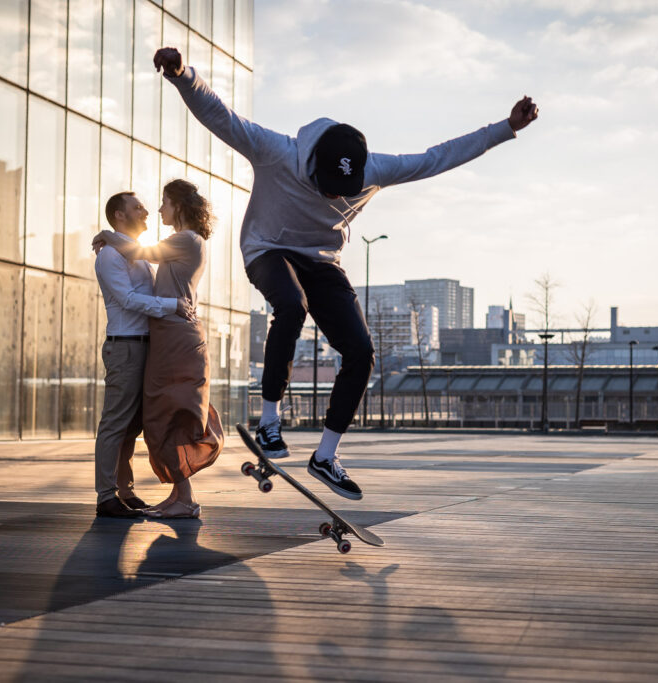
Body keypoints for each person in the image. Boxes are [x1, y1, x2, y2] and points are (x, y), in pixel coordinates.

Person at [152, 46, 539, 501]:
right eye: (324, 189)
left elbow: (440, 156)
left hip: (321, 260)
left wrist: (506, 127)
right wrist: (182, 75)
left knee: (361, 351)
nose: (332, 198)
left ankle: (326, 455)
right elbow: (222, 116)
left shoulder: (377, 170)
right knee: (291, 306)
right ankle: (271, 421)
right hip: (267, 250)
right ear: (311, 165)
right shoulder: (276, 150)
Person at [92, 179, 224, 519]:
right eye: (141, 207)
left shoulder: (182, 241)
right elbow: (129, 298)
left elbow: (143, 256)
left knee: (161, 416)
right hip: (140, 343)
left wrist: (108, 234)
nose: (153, 209)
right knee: (138, 420)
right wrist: (109, 238)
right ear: (120, 215)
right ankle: (113, 495)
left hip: (167, 340)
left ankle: (171, 495)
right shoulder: (113, 255)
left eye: (162, 202)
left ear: (178, 206)